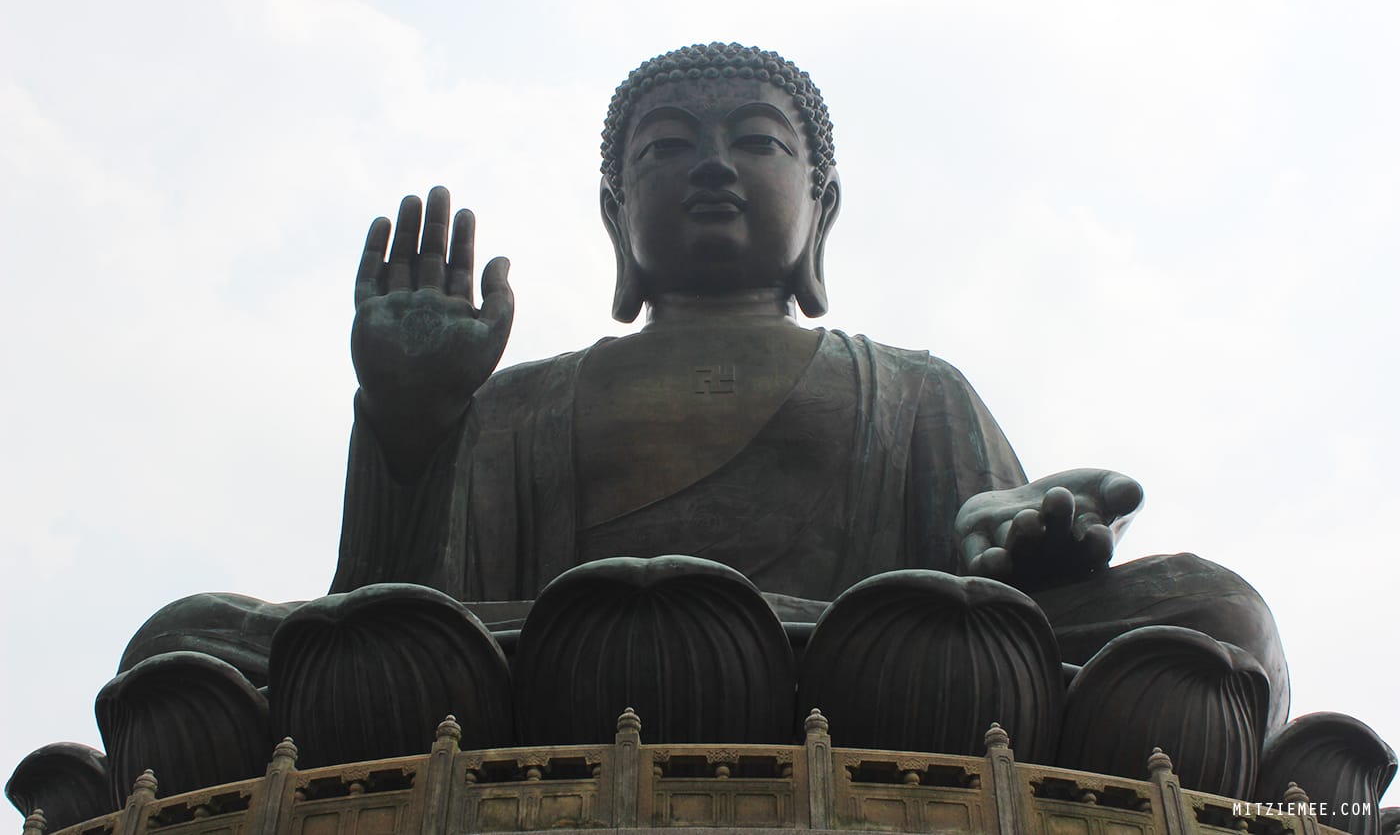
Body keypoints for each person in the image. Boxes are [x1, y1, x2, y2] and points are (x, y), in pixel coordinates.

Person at [329, 42, 1288, 730]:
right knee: (189, 636)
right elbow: (396, 611)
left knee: (1218, 613)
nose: (711, 164)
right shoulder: (516, 404)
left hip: (867, 671)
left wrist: (1024, 555)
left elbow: (995, 596)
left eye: (757, 141)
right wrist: (413, 424)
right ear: (616, 217)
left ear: (819, 208)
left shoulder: (913, 391)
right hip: (567, 665)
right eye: (665, 147)